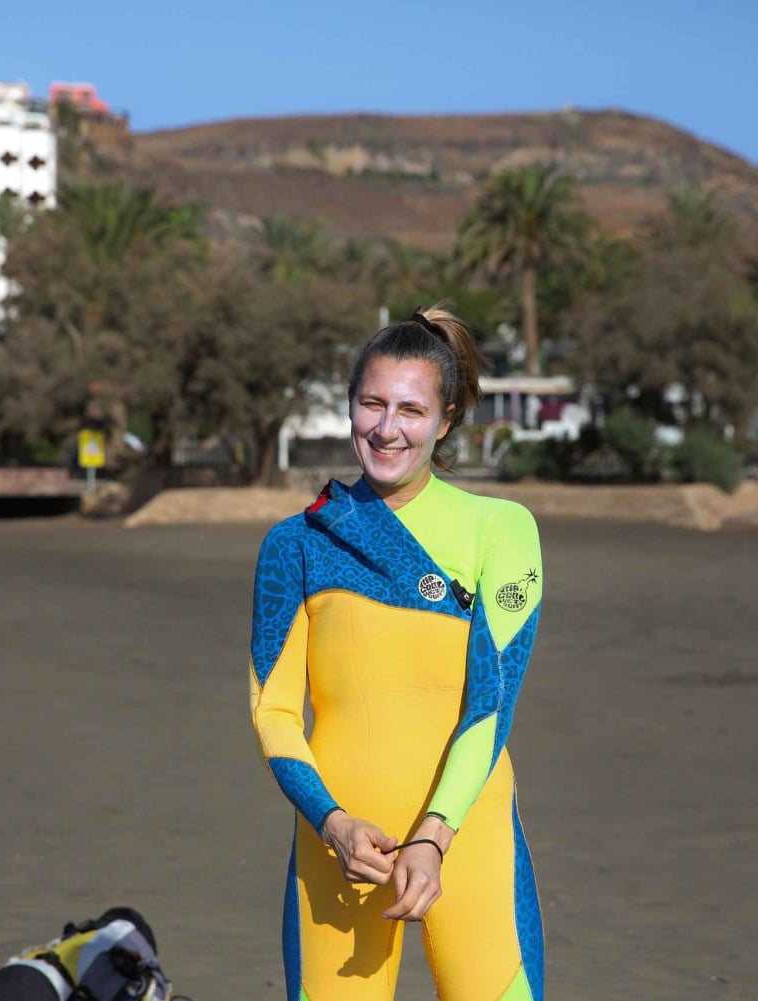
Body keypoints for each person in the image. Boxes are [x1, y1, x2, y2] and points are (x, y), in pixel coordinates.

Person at [248, 304, 545, 1001]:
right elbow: (274, 709)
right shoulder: (296, 542)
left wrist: (433, 835)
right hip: (342, 850)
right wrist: (333, 821)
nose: (387, 427)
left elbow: (490, 703)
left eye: (411, 409)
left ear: (444, 421)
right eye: (371, 403)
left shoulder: (500, 530)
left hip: (469, 837)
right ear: (349, 405)